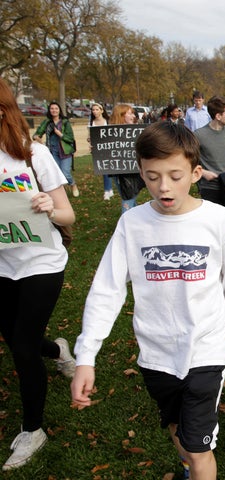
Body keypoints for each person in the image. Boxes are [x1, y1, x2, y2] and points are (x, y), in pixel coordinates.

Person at [71, 121, 225, 480]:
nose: (164, 186)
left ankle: (194, 463)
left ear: (196, 173)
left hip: (206, 349)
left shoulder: (218, 219)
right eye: (152, 177)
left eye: (175, 175)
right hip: (156, 353)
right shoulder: (132, 224)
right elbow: (106, 289)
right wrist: (86, 357)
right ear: (141, 172)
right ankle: (186, 460)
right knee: (177, 431)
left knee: (199, 450)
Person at [0, 77, 77, 470]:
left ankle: (33, 430)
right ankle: (59, 350)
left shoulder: (33, 155)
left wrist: (50, 206)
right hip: (2, 266)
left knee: (22, 346)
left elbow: (69, 215)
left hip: (41, 263)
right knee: (13, 336)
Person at [195, 95, 225, 205]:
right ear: (218, 116)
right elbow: (188, 161)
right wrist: (204, 173)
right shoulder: (199, 135)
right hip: (210, 187)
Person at [32, 102, 79, 198]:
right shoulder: (47, 122)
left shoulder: (65, 122)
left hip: (65, 151)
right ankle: (60, 193)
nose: (54, 110)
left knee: (65, 173)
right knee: (55, 173)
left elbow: (70, 138)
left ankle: (73, 185)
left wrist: (60, 134)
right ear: (49, 110)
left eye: (56, 108)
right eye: (52, 108)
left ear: (59, 110)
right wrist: (37, 138)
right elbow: (37, 134)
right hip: (52, 151)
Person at [109, 104, 145, 213]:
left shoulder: (136, 131)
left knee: (131, 196)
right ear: (122, 115)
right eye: (130, 113)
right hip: (121, 172)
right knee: (128, 197)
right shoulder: (109, 133)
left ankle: (133, 218)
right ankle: (127, 222)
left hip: (135, 169)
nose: (133, 115)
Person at [87, 103, 114, 200]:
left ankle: (109, 189)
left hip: (108, 148)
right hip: (98, 149)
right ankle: (107, 190)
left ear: (102, 110)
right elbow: (89, 136)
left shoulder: (108, 121)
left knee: (108, 169)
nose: (95, 111)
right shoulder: (91, 122)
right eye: (93, 110)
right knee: (104, 169)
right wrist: (90, 141)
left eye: (97, 109)